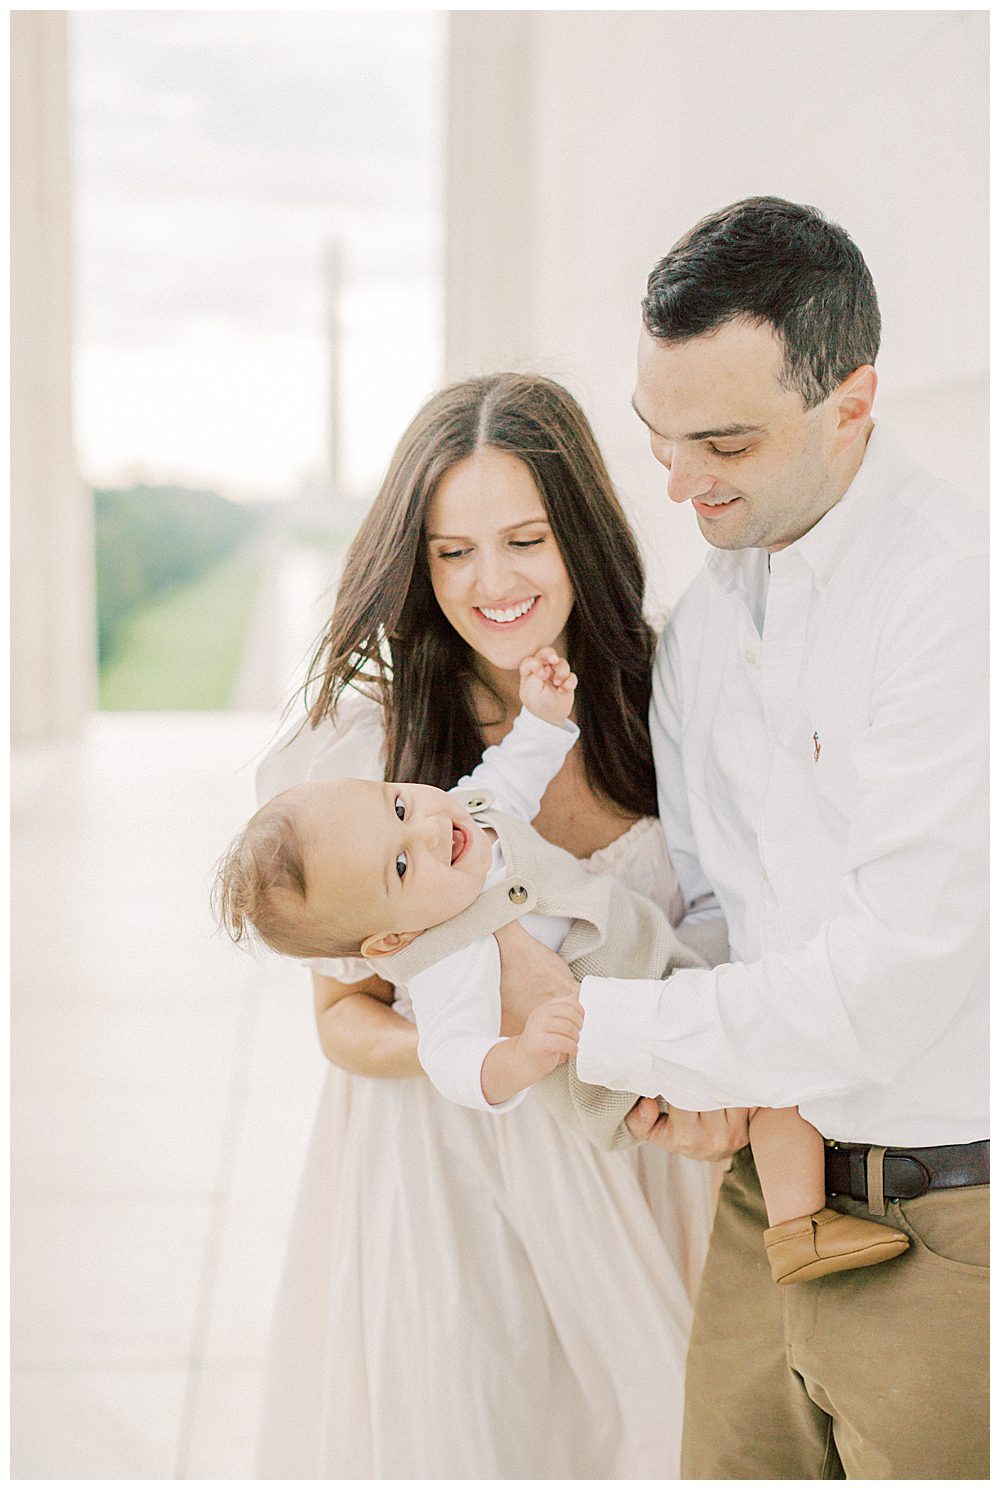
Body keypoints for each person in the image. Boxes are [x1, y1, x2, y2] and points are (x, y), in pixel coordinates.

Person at [502, 197, 988, 1478]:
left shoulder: (954, 600)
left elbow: (895, 979)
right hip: (755, 1202)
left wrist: (599, 1029)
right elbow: (728, 907)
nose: (679, 480)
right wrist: (691, 1089)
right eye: (658, 438)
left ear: (852, 402)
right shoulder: (709, 623)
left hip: (949, 1218)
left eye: (722, 439)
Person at [251, 373, 720, 1478]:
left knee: (667, 1435)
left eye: (524, 538)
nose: (491, 582)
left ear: (583, 534)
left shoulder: (672, 697)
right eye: (453, 551)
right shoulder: (366, 754)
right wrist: (484, 1054)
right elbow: (341, 1019)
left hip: (644, 1156)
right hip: (449, 1173)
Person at [224, 638, 906, 1285]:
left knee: (770, 1008)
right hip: (615, 1062)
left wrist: (546, 716)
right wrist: (519, 1057)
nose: (430, 830)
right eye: (401, 865)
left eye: (399, 804)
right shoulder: (442, 959)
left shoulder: (469, 813)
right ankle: (799, 1226)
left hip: (657, 966)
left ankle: (806, 1205)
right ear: (389, 941)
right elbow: (452, 1057)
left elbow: (515, 773)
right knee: (765, 1074)